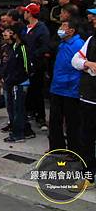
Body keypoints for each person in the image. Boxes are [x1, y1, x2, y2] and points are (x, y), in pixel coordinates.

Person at [70, 8, 96, 191]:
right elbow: (75, 60)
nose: (93, 21)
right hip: (89, 98)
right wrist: (87, 64)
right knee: (86, 139)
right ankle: (89, 176)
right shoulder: (91, 40)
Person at [49, 19, 84, 152]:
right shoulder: (62, 43)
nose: (61, 28)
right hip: (57, 87)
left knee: (72, 122)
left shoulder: (78, 44)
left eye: (64, 26)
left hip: (70, 89)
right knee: (54, 120)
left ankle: (74, 150)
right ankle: (56, 147)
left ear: (71, 30)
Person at [21, 2, 50, 131]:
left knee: (37, 90)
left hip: (36, 65)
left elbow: (44, 47)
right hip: (24, 64)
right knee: (28, 91)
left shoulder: (41, 28)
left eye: (26, 11)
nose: (24, 14)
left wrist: (32, 57)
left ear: (30, 13)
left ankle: (41, 117)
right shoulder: (25, 27)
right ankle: (29, 112)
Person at [3, 22, 32, 143]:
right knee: (16, 108)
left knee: (18, 109)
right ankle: (26, 130)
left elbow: (26, 67)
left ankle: (18, 134)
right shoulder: (14, 46)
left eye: (11, 32)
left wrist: (17, 79)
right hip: (13, 81)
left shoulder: (23, 47)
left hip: (20, 83)